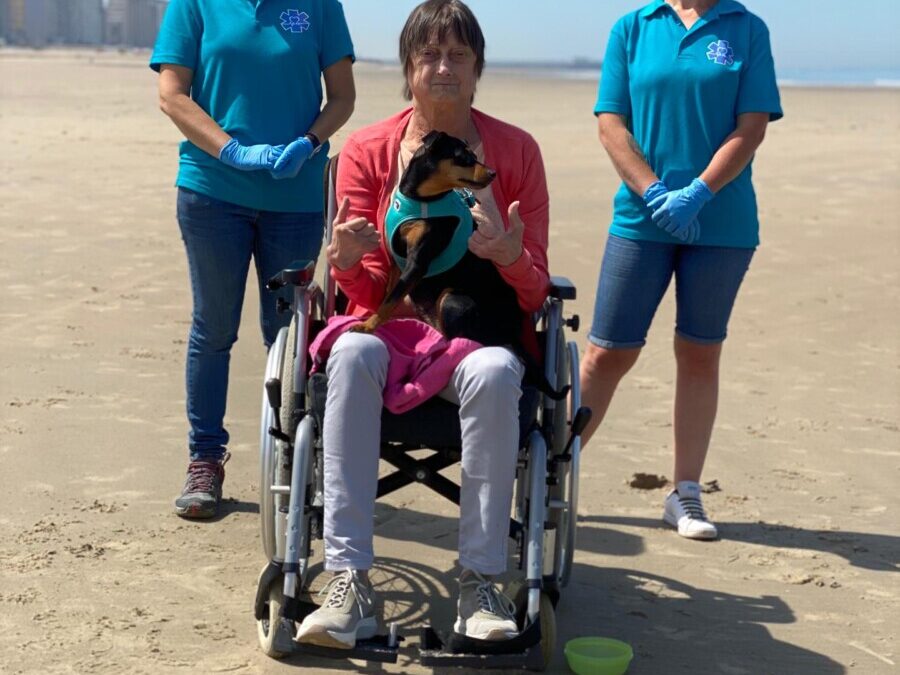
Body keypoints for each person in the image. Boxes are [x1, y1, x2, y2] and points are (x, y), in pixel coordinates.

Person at [294, 0, 552, 649]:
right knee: (350, 354)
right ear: (408, 68)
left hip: (475, 336)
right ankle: (348, 578)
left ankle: (482, 582)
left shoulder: (515, 152)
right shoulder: (369, 149)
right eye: (429, 55)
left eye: (457, 55)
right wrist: (349, 261)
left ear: (477, 68)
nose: (443, 67)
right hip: (392, 332)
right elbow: (367, 287)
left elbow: (537, 287)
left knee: (497, 370)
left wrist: (507, 254)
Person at [580, 0, 782, 540]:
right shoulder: (633, 27)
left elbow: (752, 126)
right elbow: (610, 123)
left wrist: (698, 192)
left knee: (699, 351)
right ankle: (554, 470)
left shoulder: (747, 29)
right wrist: (653, 191)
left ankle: (685, 494)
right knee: (607, 352)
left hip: (721, 224)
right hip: (639, 218)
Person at [150, 0, 356, 519]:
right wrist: (232, 151)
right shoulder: (194, 4)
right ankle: (204, 460)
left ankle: (292, 452)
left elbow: (343, 96)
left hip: (296, 196)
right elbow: (173, 95)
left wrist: (310, 142)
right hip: (212, 190)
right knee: (214, 327)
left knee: (290, 335)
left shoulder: (319, 5)